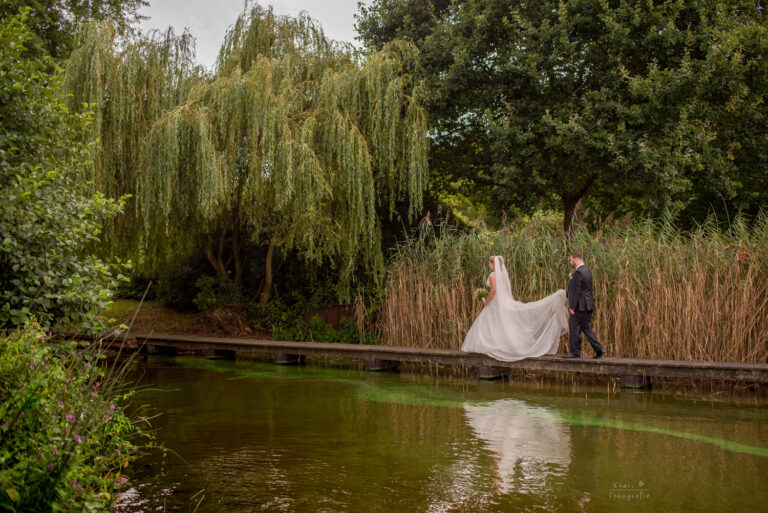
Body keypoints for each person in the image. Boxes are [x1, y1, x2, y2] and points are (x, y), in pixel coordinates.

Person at [461, 255, 568, 361]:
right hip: (505, 301)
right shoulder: (503, 275)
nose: (488, 265)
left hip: (495, 303)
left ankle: (492, 348)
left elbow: (493, 291)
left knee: (492, 325)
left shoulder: (493, 276)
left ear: (493, 264)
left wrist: (485, 301)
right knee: (504, 325)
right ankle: (505, 347)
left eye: (489, 263)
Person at [562, 251, 605, 359]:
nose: (570, 262)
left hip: (580, 306)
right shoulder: (587, 271)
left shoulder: (578, 273)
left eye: (571, 260)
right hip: (588, 305)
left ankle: (575, 352)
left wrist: (572, 306)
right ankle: (599, 349)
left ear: (576, 259)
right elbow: (584, 289)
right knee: (586, 328)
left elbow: (576, 291)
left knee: (574, 328)